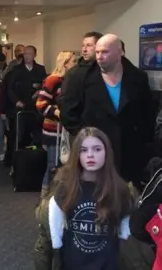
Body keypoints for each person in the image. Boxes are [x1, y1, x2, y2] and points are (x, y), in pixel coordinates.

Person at [60, 34, 156, 189]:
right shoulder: (79, 77)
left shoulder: (138, 78)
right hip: (94, 151)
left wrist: (143, 141)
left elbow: (147, 113)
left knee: (128, 199)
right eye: (97, 52)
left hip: (130, 153)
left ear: (120, 53)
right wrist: (86, 138)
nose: (99, 57)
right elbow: (68, 113)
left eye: (104, 52)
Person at [46, 127, 133, 269]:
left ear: (107, 153)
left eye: (97, 149)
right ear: (76, 154)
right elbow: (52, 235)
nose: (90, 155)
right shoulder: (66, 188)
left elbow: (126, 235)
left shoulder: (120, 190)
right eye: (83, 150)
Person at [36, 51, 77, 198]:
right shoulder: (53, 80)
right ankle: (46, 197)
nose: (76, 64)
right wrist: (58, 112)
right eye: (73, 61)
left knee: (65, 164)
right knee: (53, 165)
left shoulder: (72, 80)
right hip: (54, 129)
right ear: (65, 63)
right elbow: (40, 103)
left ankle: (61, 196)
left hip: (67, 130)